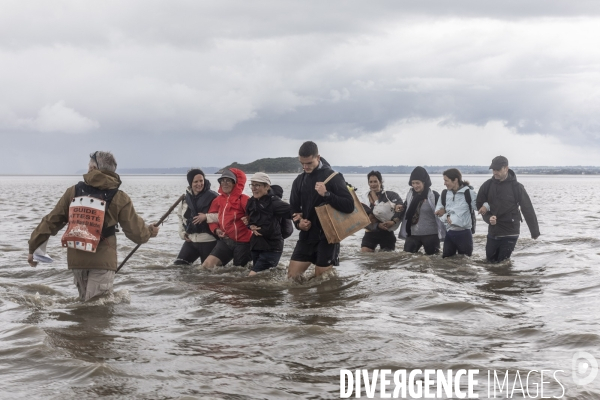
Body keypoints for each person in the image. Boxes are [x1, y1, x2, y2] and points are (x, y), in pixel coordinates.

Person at [27, 151, 159, 301]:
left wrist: (34, 247)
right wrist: (150, 231)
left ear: (93, 169)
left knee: (85, 309)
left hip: (77, 261)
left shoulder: (74, 191)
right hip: (102, 262)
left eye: (89, 166)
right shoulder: (119, 197)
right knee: (97, 314)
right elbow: (137, 234)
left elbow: (50, 221)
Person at [288, 141, 355, 279]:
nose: (305, 166)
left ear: (318, 158)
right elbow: (293, 208)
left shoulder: (333, 177)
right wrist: (298, 223)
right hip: (307, 236)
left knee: (321, 279)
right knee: (292, 278)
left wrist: (327, 194)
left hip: (328, 236)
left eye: (309, 163)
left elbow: (349, 206)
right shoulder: (299, 180)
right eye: (302, 163)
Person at [476, 156, 540, 262]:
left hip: (511, 230)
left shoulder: (517, 187)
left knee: (502, 262)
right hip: (494, 230)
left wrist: (534, 232)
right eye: (493, 170)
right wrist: (488, 218)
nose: (495, 172)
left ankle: (506, 278)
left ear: (506, 168)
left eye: (498, 170)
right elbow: (479, 205)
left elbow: (527, 208)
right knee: (490, 262)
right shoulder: (487, 185)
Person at [243, 172, 292, 276]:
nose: (254, 188)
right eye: (252, 184)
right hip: (256, 245)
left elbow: (294, 212)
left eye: (257, 185)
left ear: (267, 187)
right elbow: (249, 220)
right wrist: (249, 225)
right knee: (260, 280)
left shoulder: (275, 203)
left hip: (272, 247)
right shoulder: (251, 202)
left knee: (252, 276)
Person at [202, 168, 252, 268]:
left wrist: (249, 219)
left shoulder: (244, 199)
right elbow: (212, 219)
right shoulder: (218, 200)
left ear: (235, 183)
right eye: (222, 181)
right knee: (206, 266)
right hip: (225, 241)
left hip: (243, 243)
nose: (224, 183)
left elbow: (255, 216)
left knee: (238, 272)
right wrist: (216, 230)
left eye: (228, 180)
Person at [174, 168, 218, 265]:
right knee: (179, 266)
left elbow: (224, 216)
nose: (199, 184)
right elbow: (180, 217)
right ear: (190, 183)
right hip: (191, 240)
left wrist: (206, 217)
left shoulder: (214, 197)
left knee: (207, 273)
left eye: (201, 181)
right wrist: (183, 234)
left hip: (209, 241)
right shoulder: (185, 199)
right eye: (196, 181)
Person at [398, 166, 446, 255]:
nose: (415, 186)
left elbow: (445, 210)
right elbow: (406, 208)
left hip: (431, 235)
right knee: (406, 258)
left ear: (424, 182)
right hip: (412, 234)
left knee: (433, 260)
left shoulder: (434, 196)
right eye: (413, 183)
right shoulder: (410, 195)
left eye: (417, 183)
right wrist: (401, 207)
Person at [434, 168, 477, 258]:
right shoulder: (444, 194)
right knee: (446, 263)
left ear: (455, 180)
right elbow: (438, 212)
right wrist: (446, 216)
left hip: (464, 234)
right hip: (449, 234)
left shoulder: (469, 193)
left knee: (466, 264)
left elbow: (479, 207)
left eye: (446, 180)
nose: (444, 183)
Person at [360, 171, 402, 252]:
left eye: (375, 181)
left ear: (380, 181)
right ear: (368, 183)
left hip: (387, 231)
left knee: (386, 260)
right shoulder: (363, 198)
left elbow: (401, 209)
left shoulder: (391, 195)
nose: (373, 184)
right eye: (370, 182)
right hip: (370, 232)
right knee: (365, 254)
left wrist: (393, 222)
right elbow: (361, 220)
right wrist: (378, 225)